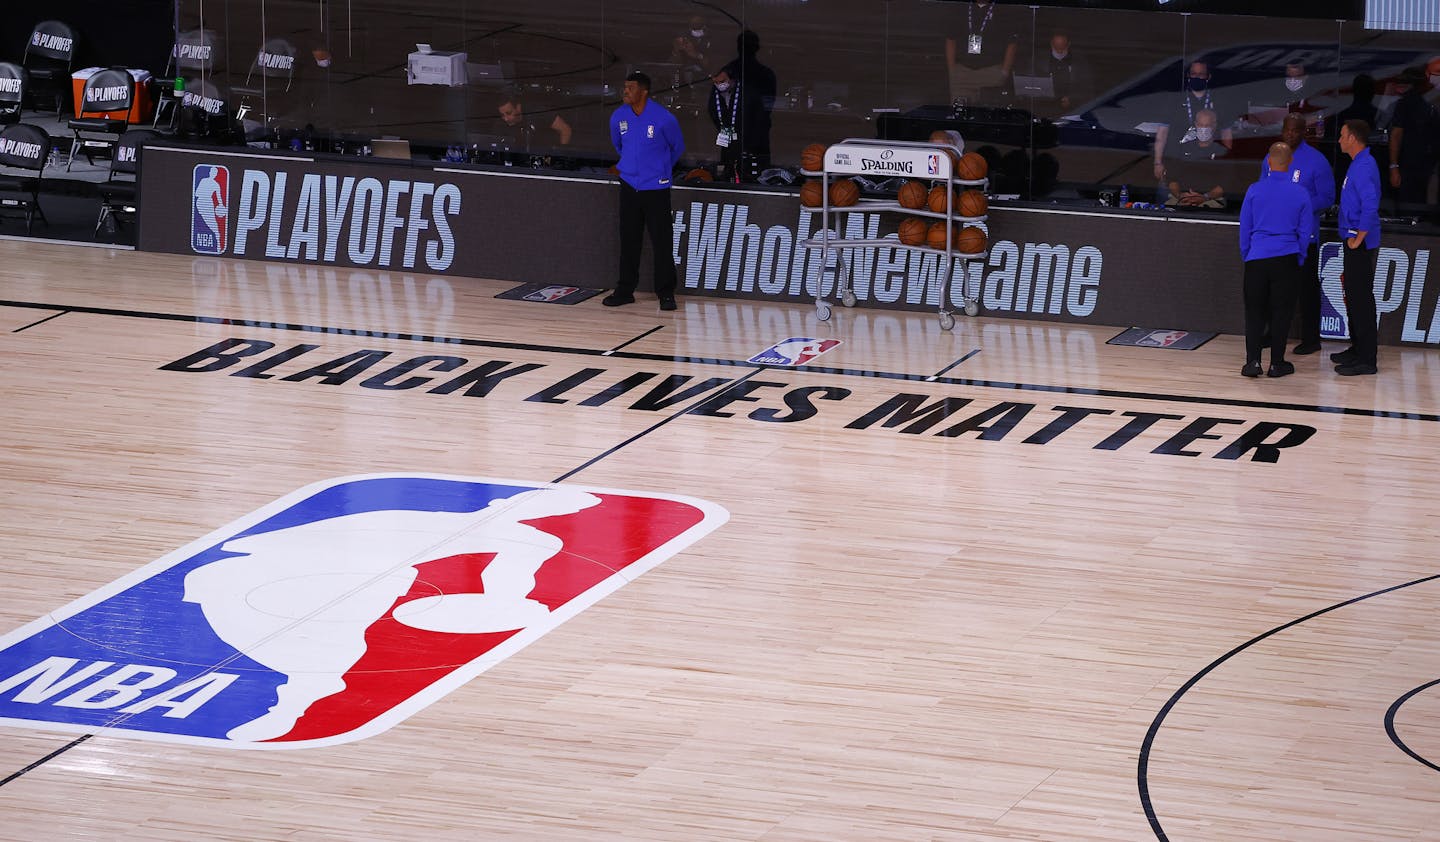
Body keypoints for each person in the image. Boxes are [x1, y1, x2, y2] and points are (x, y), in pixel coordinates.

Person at [606, 71, 684, 311]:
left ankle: (666, 293)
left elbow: (677, 148)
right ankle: (625, 289)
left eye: (630, 88)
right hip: (629, 186)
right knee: (629, 239)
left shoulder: (663, 118)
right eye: (625, 87)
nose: (625, 91)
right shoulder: (618, 116)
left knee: (662, 241)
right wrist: (631, 168)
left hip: (656, 188)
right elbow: (619, 144)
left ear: (644, 91)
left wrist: (658, 170)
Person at [1238, 142, 1314, 378]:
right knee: (1282, 312)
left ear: (1268, 162)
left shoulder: (1254, 190)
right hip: (1287, 258)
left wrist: (1248, 255)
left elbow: (1245, 228)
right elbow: (1305, 232)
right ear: (1290, 163)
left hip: (1257, 258)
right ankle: (1277, 363)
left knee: (1254, 312)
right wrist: (1298, 257)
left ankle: (1253, 362)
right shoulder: (1300, 193)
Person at [1262, 112, 1335, 356]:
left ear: (1304, 131)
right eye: (1287, 129)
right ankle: (1273, 334)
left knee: (1306, 290)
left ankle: (1311, 339)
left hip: (1304, 239)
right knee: (1274, 287)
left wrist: (1298, 208)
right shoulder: (1272, 157)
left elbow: (1327, 197)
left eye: (1295, 130)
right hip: (1275, 237)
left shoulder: (1317, 160)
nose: (1290, 134)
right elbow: (1263, 190)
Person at [1332, 119, 1382, 376]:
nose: (1339, 140)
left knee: (1361, 299)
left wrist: (1359, 238)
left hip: (1359, 244)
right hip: (1353, 240)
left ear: (1352, 138)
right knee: (1352, 296)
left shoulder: (1363, 166)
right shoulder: (1359, 163)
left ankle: (1367, 359)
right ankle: (1357, 348)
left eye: (1342, 135)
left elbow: (1370, 207)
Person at [1154, 59, 1232, 185]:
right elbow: (1162, 134)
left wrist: (1227, 163)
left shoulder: (1220, 101)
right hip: (1175, 162)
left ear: (1208, 77)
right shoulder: (1174, 99)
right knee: (1170, 198)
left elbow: (1226, 134)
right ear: (1188, 76)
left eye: (1201, 74)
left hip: (1209, 165)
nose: (1197, 77)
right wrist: (1158, 162)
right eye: (1194, 74)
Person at [720, 30, 777, 179]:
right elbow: (715, 105)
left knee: (754, 174)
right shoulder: (728, 72)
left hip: (754, 136)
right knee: (735, 174)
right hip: (741, 135)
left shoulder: (764, 74)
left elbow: (768, 105)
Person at [945, 0, 1019, 105]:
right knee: (961, 113)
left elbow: (1012, 43)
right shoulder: (960, 7)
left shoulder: (1003, 9)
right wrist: (953, 70)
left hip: (991, 72)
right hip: (962, 74)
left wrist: (1004, 72)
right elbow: (950, 39)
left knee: (989, 115)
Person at [1385, 67, 1437, 207]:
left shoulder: (1429, 105)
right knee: (1410, 205)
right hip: (1409, 165)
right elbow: (1396, 135)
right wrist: (1394, 166)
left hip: (1423, 166)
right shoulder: (1407, 104)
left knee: (1417, 204)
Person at [1165, 108, 1229, 208]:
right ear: (1195, 124)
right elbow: (1171, 180)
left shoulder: (1222, 152)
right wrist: (1180, 196)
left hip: (1210, 200)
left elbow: (1224, 185)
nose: (1203, 129)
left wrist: (1205, 197)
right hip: (1181, 199)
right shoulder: (1182, 148)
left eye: (1207, 125)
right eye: (1201, 125)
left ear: (1214, 125)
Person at [497, 91, 573, 153]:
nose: (505, 119)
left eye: (509, 113)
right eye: (502, 115)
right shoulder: (500, 123)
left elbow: (565, 129)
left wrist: (561, 154)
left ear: (518, 107)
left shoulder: (537, 112)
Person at [1042, 29, 1091, 115]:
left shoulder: (1080, 62)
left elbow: (1088, 88)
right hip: (1045, 108)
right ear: (1051, 44)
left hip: (1073, 110)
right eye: (1056, 47)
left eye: (1062, 47)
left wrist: (1072, 99)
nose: (1059, 51)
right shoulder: (1040, 61)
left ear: (1068, 44)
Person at [707, 67, 741, 179]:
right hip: (723, 135)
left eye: (722, 82)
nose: (719, 85)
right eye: (716, 82)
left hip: (742, 137)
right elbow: (711, 111)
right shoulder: (714, 93)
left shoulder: (742, 92)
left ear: (732, 80)